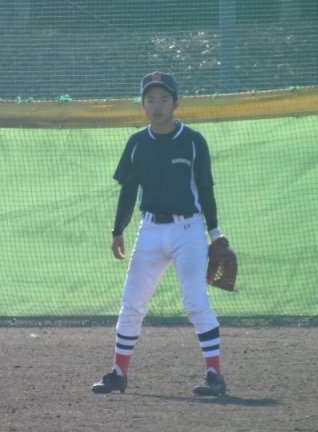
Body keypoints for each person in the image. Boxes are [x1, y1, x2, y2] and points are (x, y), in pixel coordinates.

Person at [92, 71, 227, 396]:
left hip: (188, 230)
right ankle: (118, 373)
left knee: (195, 302)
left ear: (176, 103)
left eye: (164, 99)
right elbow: (128, 190)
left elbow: (206, 189)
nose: (157, 105)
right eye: (150, 99)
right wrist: (118, 230)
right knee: (132, 304)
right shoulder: (137, 143)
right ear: (142, 105)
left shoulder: (193, 141)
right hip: (150, 229)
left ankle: (215, 375)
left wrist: (215, 234)